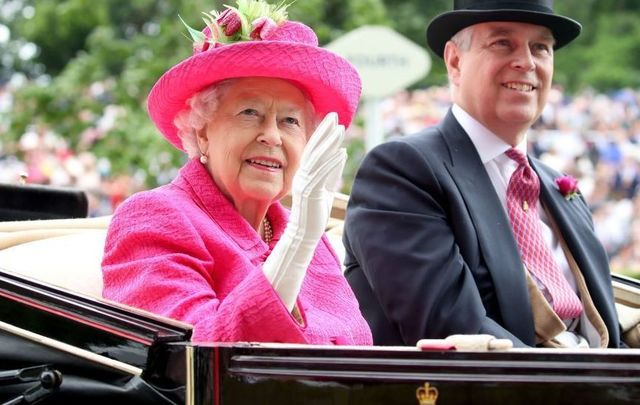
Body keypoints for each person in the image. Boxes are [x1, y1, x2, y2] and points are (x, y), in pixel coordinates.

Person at [343, 0, 624, 348]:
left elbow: (606, 333)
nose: (527, 62)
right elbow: (451, 327)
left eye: (540, 47)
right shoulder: (403, 171)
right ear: (455, 61)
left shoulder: (560, 188)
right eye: (502, 43)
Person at [102, 0, 372, 345]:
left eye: (290, 121)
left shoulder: (308, 235)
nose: (272, 136)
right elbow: (193, 361)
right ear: (202, 131)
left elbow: (358, 353)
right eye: (249, 112)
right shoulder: (153, 218)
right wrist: (297, 242)